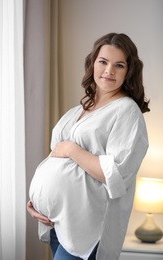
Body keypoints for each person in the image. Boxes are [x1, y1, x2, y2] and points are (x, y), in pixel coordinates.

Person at [27, 32, 150, 260]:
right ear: (93, 62)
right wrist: (38, 202)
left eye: (119, 65)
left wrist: (71, 149)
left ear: (129, 71)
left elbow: (115, 174)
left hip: (86, 232)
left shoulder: (127, 112)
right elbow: (56, 160)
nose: (109, 71)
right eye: (103, 61)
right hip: (57, 223)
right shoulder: (81, 109)